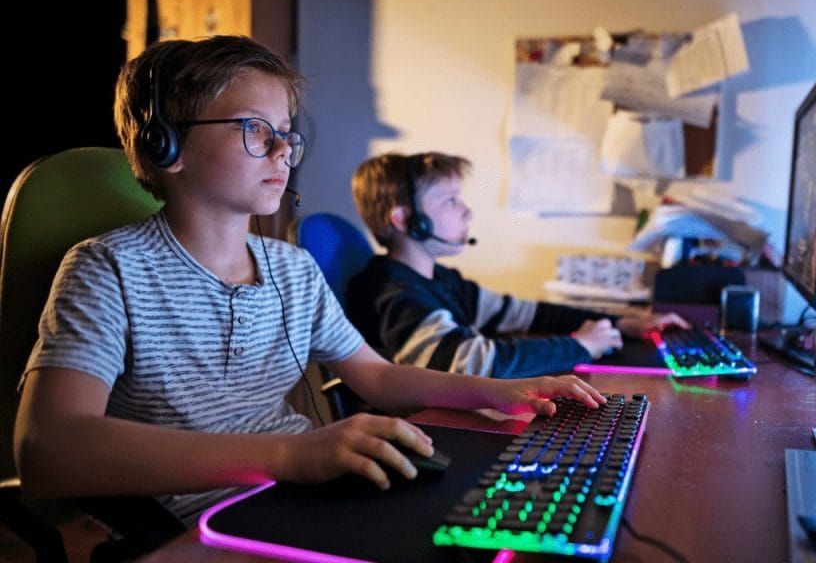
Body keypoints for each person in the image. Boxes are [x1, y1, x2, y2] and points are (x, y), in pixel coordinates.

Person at [12, 36, 605, 527]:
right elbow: (49, 451)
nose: (283, 152)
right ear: (164, 143)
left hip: (306, 487)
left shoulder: (292, 269)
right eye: (254, 129)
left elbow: (376, 375)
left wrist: (500, 393)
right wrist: (289, 455)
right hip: (210, 517)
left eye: (286, 132)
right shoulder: (106, 269)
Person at [347, 152, 689, 378]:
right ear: (406, 219)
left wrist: (624, 322)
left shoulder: (439, 279)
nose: (467, 211)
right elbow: (468, 362)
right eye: (451, 200)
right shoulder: (396, 294)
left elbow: (525, 313)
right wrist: (579, 346)